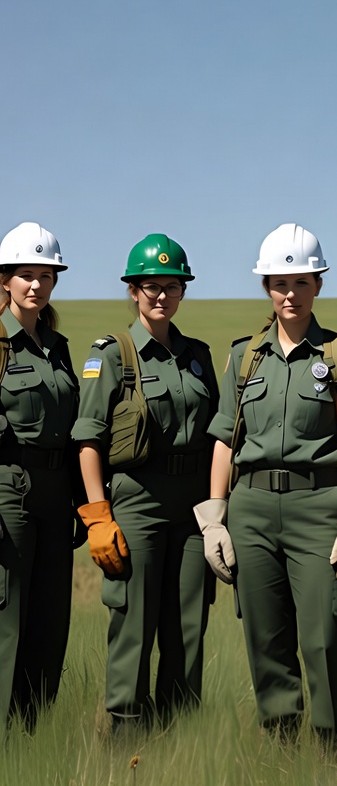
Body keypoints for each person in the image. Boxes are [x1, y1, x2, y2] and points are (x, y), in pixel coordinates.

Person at [196, 223, 337, 744]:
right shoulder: (243, 357)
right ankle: (280, 746)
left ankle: (335, 746)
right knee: (264, 634)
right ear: (266, 288)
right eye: (280, 283)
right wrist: (214, 519)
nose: (290, 293)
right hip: (251, 506)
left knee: (325, 633)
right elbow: (225, 441)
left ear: (318, 285)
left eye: (301, 282)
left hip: (319, 504)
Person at [73, 234, 218, 730]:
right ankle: (125, 727)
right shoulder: (111, 355)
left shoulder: (198, 355)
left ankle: (179, 731)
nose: (161, 295)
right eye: (150, 286)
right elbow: (88, 441)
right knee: (134, 620)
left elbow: (219, 434)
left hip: (193, 507)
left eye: (172, 286)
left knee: (189, 624)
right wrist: (97, 516)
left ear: (182, 293)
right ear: (133, 291)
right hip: (137, 501)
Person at [0, 222, 78, 730]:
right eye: (25, 275)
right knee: (8, 617)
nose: (35, 285)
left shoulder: (59, 347)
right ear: (5, 280)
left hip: (58, 493)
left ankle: (34, 732)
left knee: (51, 621)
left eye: (45, 275)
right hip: (9, 488)